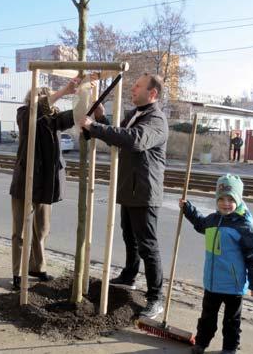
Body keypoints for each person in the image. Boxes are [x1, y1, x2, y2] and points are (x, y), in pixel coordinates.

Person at [79, 73, 168, 319]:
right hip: (129, 189)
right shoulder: (134, 115)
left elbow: (135, 140)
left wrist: (94, 127)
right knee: (130, 236)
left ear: (152, 93)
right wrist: (99, 119)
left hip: (145, 191)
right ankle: (129, 276)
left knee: (148, 245)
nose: (133, 89)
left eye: (138, 86)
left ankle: (155, 297)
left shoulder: (157, 120)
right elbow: (119, 134)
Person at [9, 79, 81, 291]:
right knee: (20, 232)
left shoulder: (53, 119)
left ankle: (37, 268)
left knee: (42, 230)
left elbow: (74, 116)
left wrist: (87, 95)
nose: (47, 100)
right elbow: (37, 109)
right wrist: (65, 90)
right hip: (25, 181)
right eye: (42, 96)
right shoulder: (24, 114)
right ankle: (18, 272)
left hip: (45, 184)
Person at [179, 174, 253, 354]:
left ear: (239, 200)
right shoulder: (212, 220)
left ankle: (230, 348)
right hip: (212, 283)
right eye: (221, 199)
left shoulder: (243, 227)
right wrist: (188, 209)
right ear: (216, 200)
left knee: (231, 321)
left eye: (231, 199)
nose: (225, 203)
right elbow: (200, 224)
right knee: (207, 317)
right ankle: (201, 343)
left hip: (233, 285)